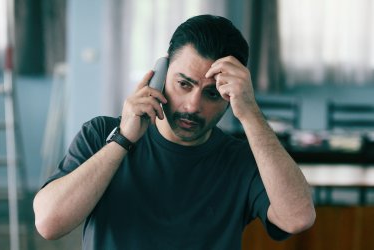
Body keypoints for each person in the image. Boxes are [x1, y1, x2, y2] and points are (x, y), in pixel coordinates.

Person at [33, 14, 315, 249]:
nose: (193, 106)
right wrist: (122, 140)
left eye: (212, 94)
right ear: (160, 74)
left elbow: (297, 217)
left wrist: (251, 113)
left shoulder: (243, 159)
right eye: (184, 84)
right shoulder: (102, 133)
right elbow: (48, 223)